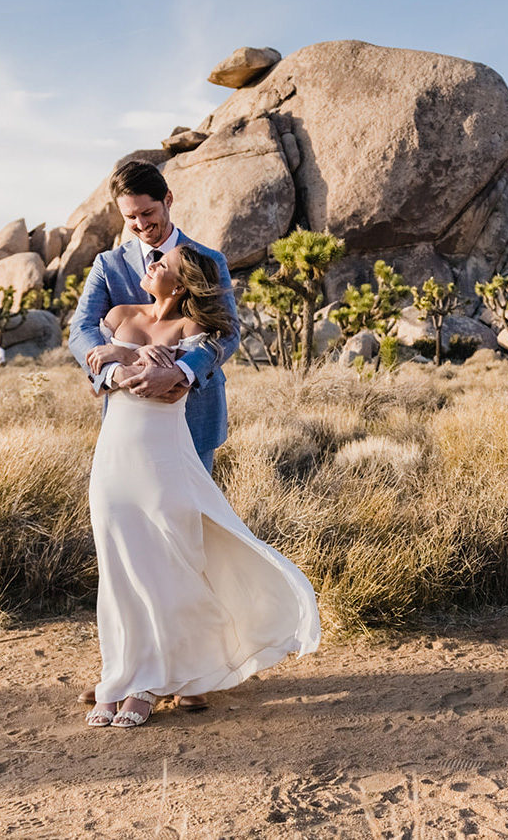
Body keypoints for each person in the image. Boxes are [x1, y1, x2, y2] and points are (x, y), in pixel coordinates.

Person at [82, 243, 320, 729]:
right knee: (118, 567)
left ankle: (152, 682)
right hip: (112, 460)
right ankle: (120, 673)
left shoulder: (195, 331)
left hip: (162, 459)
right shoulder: (121, 312)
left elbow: (169, 383)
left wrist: (124, 355)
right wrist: (123, 355)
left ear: (183, 284)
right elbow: (96, 375)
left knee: (164, 566)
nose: (152, 266)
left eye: (162, 266)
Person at [68, 159, 240, 474]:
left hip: (194, 414)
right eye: (130, 217)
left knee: (189, 515)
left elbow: (228, 334)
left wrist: (181, 372)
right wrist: (116, 371)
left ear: (168, 200)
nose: (141, 224)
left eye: (147, 213)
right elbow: (80, 331)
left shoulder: (211, 261)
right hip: (127, 417)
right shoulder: (108, 265)